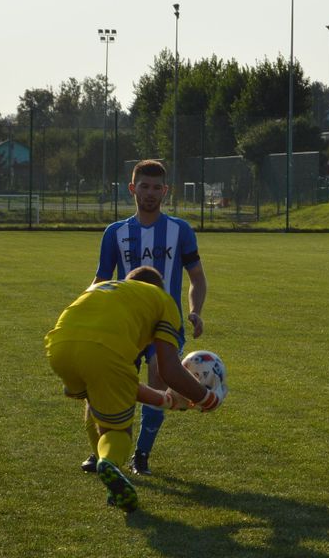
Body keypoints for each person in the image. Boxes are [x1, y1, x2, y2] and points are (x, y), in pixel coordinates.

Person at [45, 266, 222, 513]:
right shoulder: (162, 299)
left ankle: (110, 482)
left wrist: (168, 401)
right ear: (157, 287)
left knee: (95, 400)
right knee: (119, 431)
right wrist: (206, 398)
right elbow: (168, 369)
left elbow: (126, 386)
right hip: (103, 351)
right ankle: (109, 463)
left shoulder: (107, 289)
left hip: (59, 346)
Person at [85, 159, 207, 476]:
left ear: (165, 191)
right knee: (109, 384)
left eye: (156, 187)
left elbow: (197, 278)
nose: (150, 193)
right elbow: (101, 278)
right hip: (125, 324)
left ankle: (141, 455)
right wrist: (83, 306)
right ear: (132, 188)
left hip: (166, 323)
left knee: (158, 377)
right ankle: (101, 451)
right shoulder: (115, 233)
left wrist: (195, 311)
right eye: (144, 186)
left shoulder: (180, 231)